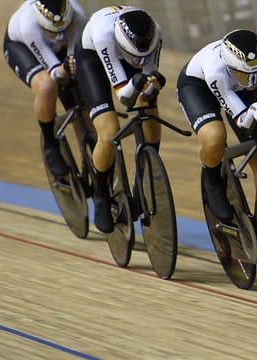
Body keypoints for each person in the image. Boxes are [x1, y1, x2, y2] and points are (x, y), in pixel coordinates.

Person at [74, 6, 165, 234]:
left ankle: (142, 179)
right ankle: (101, 193)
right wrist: (137, 82)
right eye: (136, 57)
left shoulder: (156, 34)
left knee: (150, 111)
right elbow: (124, 97)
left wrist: (151, 86)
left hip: (127, 53)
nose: (138, 61)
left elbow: (147, 78)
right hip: (93, 60)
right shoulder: (105, 34)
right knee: (109, 130)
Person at [176, 29, 257, 221]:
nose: (252, 80)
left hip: (237, 90)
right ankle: (212, 178)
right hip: (198, 87)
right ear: (231, 67)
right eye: (245, 74)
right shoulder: (217, 70)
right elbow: (243, 120)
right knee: (214, 138)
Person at [3, 0, 87, 177]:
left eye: (64, 29)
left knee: (82, 104)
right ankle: (50, 144)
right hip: (23, 47)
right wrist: (66, 70)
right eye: (53, 32)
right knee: (47, 86)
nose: (58, 36)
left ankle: (90, 163)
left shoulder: (78, 16)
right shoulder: (28, 25)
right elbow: (57, 73)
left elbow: (74, 57)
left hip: (61, 52)